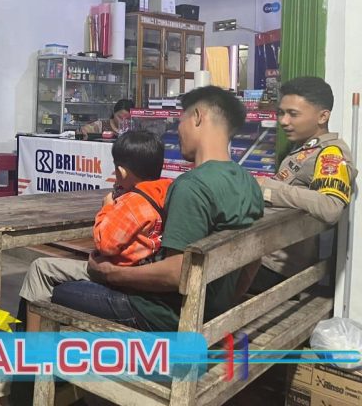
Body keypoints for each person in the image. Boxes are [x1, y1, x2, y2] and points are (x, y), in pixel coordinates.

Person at [51, 86, 263, 332]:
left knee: (53, 287)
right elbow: (252, 263)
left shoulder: (191, 186)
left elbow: (175, 273)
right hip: (211, 313)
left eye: (180, 120)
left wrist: (111, 273)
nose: (178, 130)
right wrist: (222, 307)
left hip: (162, 315)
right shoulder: (248, 182)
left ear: (197, 117)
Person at [19, 130, 173, 332]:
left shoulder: (132, 204)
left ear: (121, 172)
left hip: (117, 275)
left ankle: (32, 344)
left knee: (39, 269)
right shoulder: (166, 190)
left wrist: (107, 208)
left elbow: (105, 243)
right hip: (138, 272)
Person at [251, 76, 357, 292]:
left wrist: (270, 189)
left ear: (322, 116)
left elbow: (331, 207)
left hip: (274, 269)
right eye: (281, 113)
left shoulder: (330, 153)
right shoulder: (305, 147)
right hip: (261, 255)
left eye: (293, 114)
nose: (283, 121)